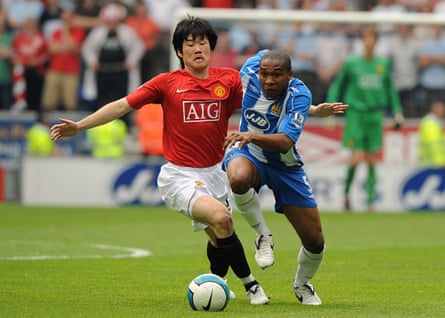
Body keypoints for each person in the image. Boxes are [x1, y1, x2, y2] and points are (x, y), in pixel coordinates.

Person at [50, 15, 270, 305]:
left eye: (202, 42)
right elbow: (121, 106)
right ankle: (252, 287)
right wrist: (80, 125)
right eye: (189, 44)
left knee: (220, 236)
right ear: (180, 51)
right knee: (222, 219)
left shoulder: (228, 80)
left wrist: (311, 110)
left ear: (211, 47)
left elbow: (262, 105)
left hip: (215, 172)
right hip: (179, 176)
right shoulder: (167, 83)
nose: (197, 48)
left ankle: (216, 283)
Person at [223, 49, 348, 306]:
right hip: (249, 153)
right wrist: (249, 139)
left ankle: (302, 284)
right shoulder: (248, 71)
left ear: (290, 75)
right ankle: (262, 235)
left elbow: (284, 142)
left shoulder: (299, 93)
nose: (268, 80)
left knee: (315, 240)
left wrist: (252, 134)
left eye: (276, 75)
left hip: (284, 165)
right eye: (264, 74)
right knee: (237, 178)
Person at [327, 25, 404, 212]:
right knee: (356, 157)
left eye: (373, 39)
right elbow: (338, 85)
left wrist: (397, 111)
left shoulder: (383, 64)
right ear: (362, 41)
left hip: (375, 115)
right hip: (356, 114)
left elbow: (390, 89)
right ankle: (346, 195)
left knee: (371, 159)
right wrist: (331, 109)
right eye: (366, 39)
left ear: (376, 42)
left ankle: (370, 203)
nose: (369, 42)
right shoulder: (352, 63)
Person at [418, 100, 445, 167]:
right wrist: (441, 161)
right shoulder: (431, 123)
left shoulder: (433, 122)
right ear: (434, 109)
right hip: (433, 163)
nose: (443, 111)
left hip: (432, 162)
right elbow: (434, 144)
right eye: (441, 109)